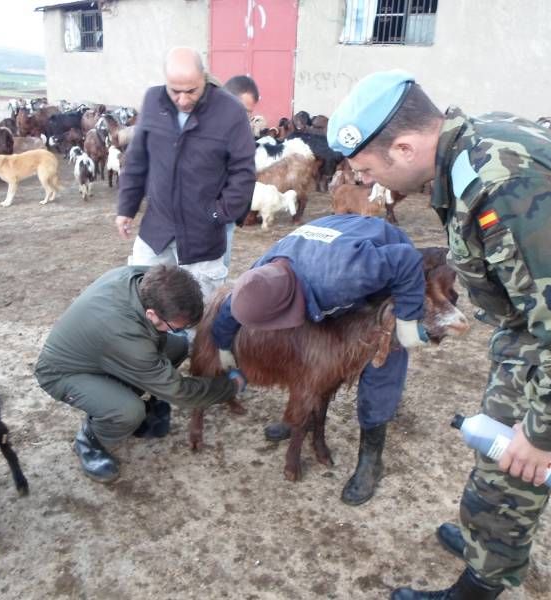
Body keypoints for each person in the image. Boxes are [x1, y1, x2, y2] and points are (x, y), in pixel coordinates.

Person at [327, 70, 551, 599]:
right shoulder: (491, 133)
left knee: (509, 480)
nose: (369, 183)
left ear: (408, 147)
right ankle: (489, 542)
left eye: (368, 169)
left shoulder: (500, 190)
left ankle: (479, 583)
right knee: (497, 465)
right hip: (542, 339)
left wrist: (541, 435)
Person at [212, 213, 430, 505]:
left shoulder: (342, 276)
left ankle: (370, 460)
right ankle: (298, 416)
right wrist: (224, 346)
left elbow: (406, 259)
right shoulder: (260, 274)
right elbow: (231, 308)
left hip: (387, 262)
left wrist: (407, 318)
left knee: (378, 362)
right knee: (312, 356)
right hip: (334, 244)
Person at [34, 264, 246, 483]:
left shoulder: (147, 279)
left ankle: (124, 396)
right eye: (175, 326)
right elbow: (180, 392)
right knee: (128, 411)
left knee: (178, 346)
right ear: (151, 314)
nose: (180, 329)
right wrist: (231, 386)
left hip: (100, 352)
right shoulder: (128, 339)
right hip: (64, 373)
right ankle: (89, 441)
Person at [115, 47, 256, 302]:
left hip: (202, 238)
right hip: (156, 231)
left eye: (191, 91)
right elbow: (137, 159)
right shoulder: (152, 100)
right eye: (175, 91)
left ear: (204, 77)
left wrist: (218, 214)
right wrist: (126, 207)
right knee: (144, 304)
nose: (182, 100)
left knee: (198, 315)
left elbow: (243, 172)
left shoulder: (230, 111)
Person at [222, 74, 261, 269]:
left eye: (249, 113)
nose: (246, 118)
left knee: (220, 271)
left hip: (225, 218)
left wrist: (235, 212)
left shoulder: (239, 133)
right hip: (208, 219)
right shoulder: (205, 132)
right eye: (243, 111)